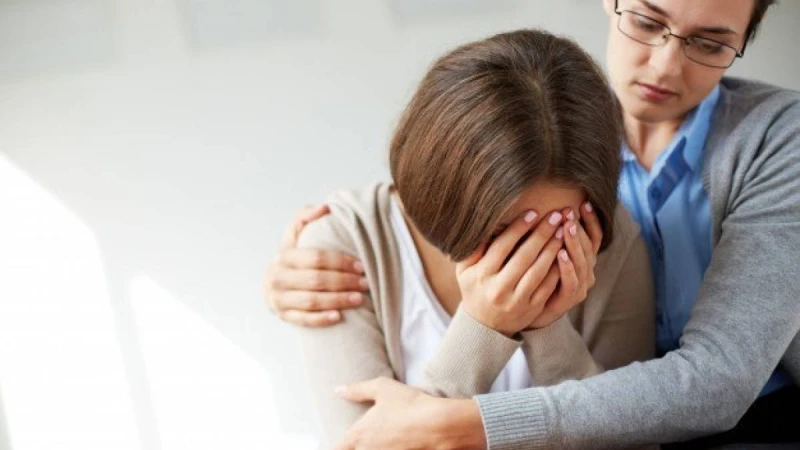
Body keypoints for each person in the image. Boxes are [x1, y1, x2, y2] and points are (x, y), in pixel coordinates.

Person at [266, 0, 800, 448]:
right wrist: (286, 277)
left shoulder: (766, 147)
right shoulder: (551, 124)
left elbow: (718, 380)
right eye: (645, 21)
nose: (664, 67)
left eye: (709, 43)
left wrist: (521, 343)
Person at [293, 29, 655, 448]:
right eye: (504, 230)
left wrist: (548, 329)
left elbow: (632, 440)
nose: (525, 256)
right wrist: (482, 328)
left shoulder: (606, 239)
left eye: (552, 230)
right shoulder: (343, 241)